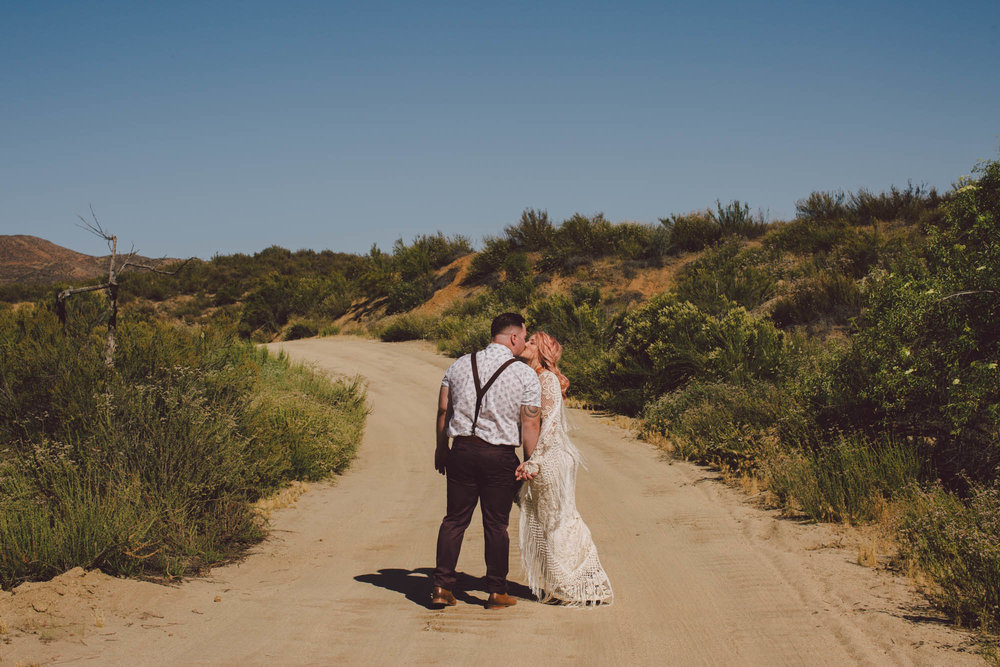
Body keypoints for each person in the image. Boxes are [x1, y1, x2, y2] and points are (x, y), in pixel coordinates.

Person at [431, 312, 542, 610]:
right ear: (514, 337)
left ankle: (442, 587)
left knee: (454, 520)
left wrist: (442, 448)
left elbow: (444, 411)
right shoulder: (524, 375)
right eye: (523, 336)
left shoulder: (458, 365)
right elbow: (530, 423)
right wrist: (530, 462)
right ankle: (496, 592)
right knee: (496, 525)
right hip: (499, 456)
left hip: (462, 451)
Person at [515, 331, 613, 606]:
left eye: (532, 342)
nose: (526, 344)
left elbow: (551, 425)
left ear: (542, 351)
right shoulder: (534, 378)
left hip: (551, 458)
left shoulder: (545, 379)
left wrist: (535, 460)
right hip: (547, 457)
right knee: (552, 519)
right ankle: (563, 582)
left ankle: (574, 584)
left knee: (557, 520)